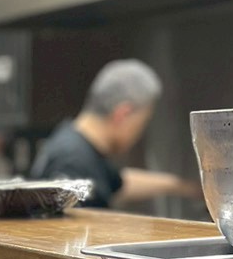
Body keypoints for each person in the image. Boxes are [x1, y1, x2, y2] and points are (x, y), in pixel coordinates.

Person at [30, 59, 203, 210]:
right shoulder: (73, 161)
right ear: (122, 114)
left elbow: (120, 183)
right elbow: (70, 231)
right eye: (141, 124)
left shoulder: (77, 145)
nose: (138, 135)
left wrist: (184, 187)